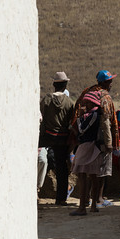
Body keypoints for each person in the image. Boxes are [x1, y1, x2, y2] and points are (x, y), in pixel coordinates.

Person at [69, 69, 120, 216]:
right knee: (95, 175)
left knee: (83, 175)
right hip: (98, 145)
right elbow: (106, 124)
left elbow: (81, 126)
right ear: (103, 82)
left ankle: (82, 207)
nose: (111, 84)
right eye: (109, 81)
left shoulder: (89, 103)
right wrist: (109, 143)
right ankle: (93, 205)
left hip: (88, 145)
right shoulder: (104, 98)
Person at [40, 71, 75, 205]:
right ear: (65, 85)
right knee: (62, 169)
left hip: (47, 137)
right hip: (62, 138)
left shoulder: (46, 100)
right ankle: (61, 198)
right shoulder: (69, 103)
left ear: (54, 84)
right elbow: (71, 123)